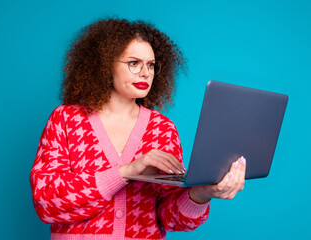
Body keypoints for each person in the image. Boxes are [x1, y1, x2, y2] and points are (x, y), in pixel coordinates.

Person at [30, 17, 246, 240]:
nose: (145, 73)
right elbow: (47, 202)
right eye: (134, 63)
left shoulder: (162, 129)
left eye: (151, 65)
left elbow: (170, 218)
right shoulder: (66, 119)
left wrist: (203, 193)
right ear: (105, 65)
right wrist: (126, 171)